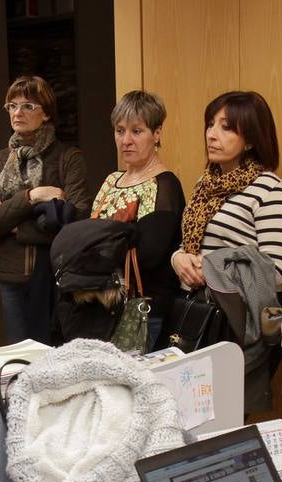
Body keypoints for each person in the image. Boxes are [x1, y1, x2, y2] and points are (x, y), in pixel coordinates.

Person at [0, 75, 89, 343]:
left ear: (47, 113)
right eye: (12, 106)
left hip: (56, 276)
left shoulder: (68, 158)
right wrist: (32, 198)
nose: (17, 113)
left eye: (28, 106)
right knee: (21, 360)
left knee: (55, 356)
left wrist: (15, 225)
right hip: (11, 276)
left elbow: (77, 219)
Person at [85, 90, 185, 347]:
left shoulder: (164, 185)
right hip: (99, 308)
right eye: (120, 131)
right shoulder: (111, 180)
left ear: (157, 134)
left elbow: (147, 255)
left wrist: (96, 249)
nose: (126, 140)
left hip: (141, 313)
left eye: (136, 131)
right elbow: (86, 237)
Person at [170, 90, 282, 292]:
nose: (211, 135)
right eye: (211, 124)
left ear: (251, 140)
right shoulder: (205, 183)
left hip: (235, 315)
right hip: (195, 307)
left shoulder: (269, 188)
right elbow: (190, 245)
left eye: (226, 127)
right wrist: (178, 259)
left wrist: (210, 272)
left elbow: (275, 271)